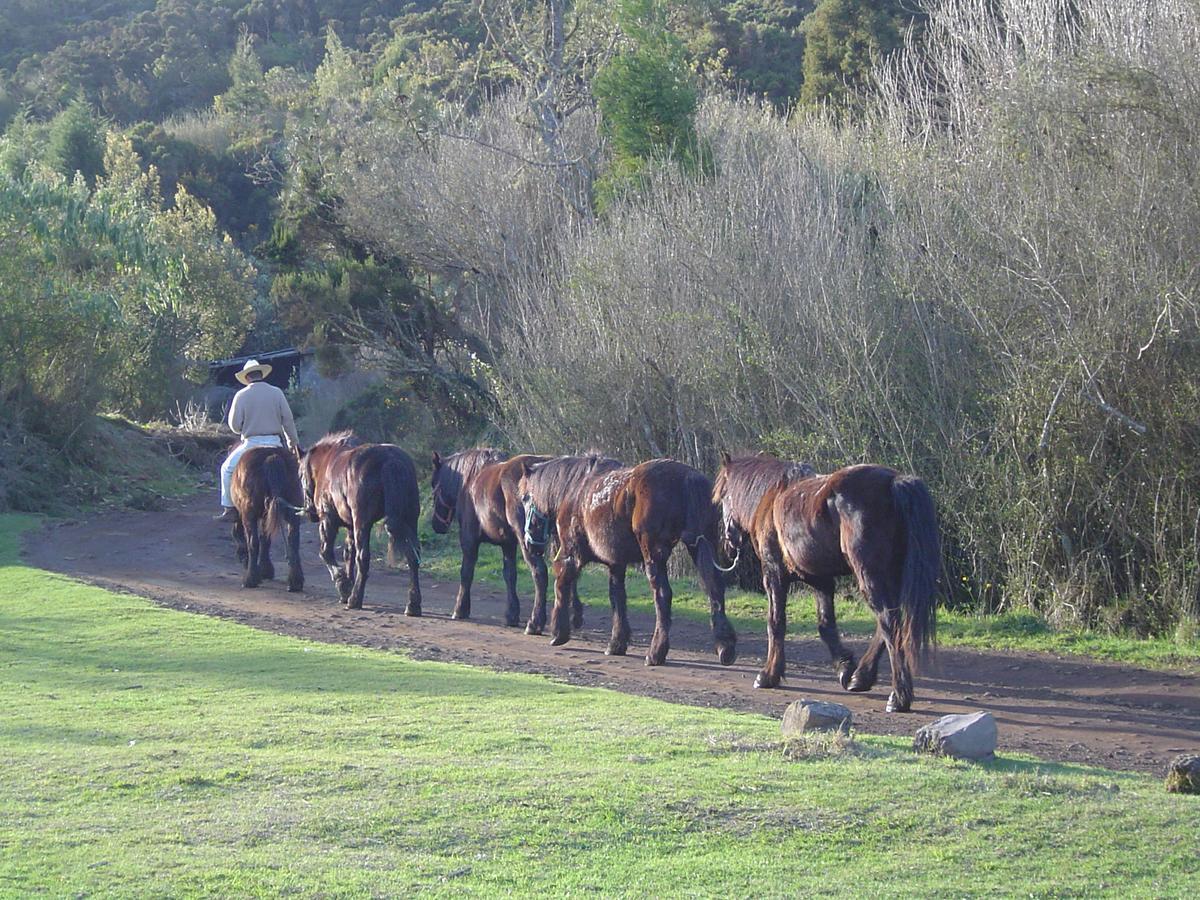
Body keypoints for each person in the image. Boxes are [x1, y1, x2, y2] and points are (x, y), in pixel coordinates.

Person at [214, 359, 301, 521]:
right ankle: (299, 506)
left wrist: (244, 427)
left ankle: (229, 508)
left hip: (251, 444)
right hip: (275, 442)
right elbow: (288, 420)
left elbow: (234, 425)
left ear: (246, 378)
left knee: (226, 469)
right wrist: (292, 443)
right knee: (296, 472)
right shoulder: (277, 392)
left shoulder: (241, 395)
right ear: (262, 374)